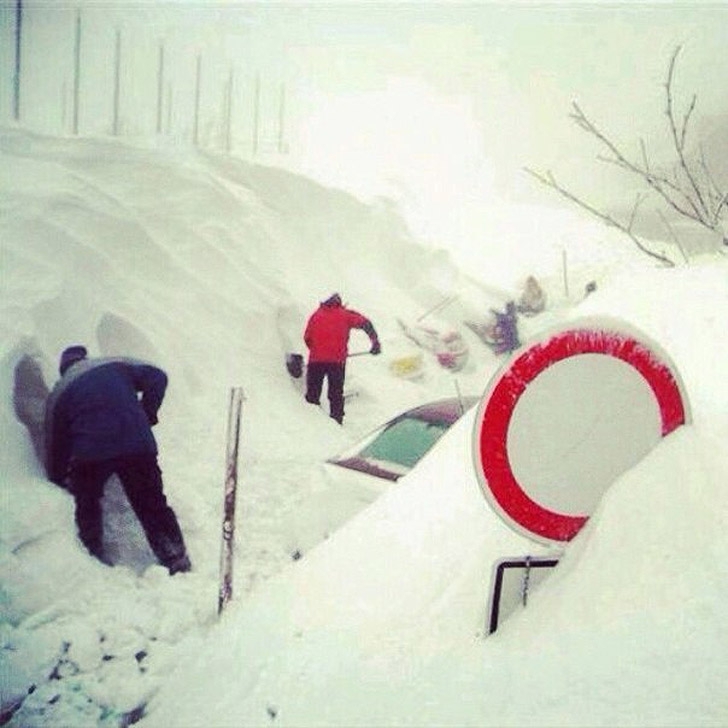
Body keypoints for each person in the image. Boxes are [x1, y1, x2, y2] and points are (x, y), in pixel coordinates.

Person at [44, 345, 191, 575]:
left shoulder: (61, 391)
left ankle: (92, 557)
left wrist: (57, 479)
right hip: (136, 443)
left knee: (87, 503)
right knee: (151, 502)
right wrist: (147, 413)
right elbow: (158, 377)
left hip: (92, 452)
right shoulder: (113, 364)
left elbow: (56, 443)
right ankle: (175, 557)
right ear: (85, 358)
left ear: (64, 369)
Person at [303, 293, 381, 424]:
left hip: (315, 361)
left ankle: (311, 423)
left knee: (312, 395)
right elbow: (366, 323)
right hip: (336, 362)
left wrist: (319, 350)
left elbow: (307, 338)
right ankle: (336, 421)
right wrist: (375, 342)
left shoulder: (315, 316)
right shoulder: (345, 314)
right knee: (335, 394)